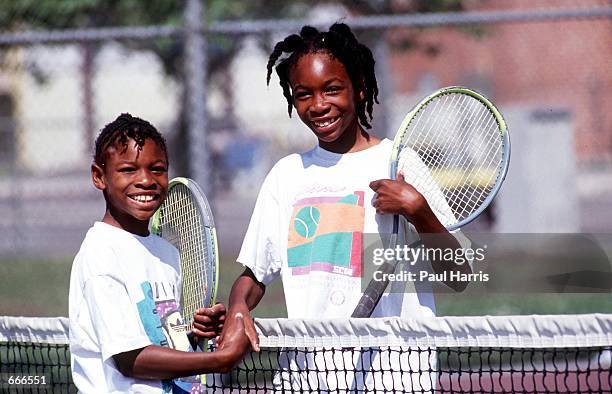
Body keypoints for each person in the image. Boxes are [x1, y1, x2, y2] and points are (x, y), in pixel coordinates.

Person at [219, 24, 472, 391]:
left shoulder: (400, 162)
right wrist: (239, 306)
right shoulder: (286, 176)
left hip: (396, 378)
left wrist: (419, 210)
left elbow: (460, 276)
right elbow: (254, 275)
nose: (319, 105)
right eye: (303, 94)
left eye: (332, 89)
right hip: (308, 378)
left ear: (360, 88)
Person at [69, 113, 250, 393]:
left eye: (157, 169)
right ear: (99, 176)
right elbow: (130, 359)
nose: (146, 180)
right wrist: (218, 359)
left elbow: (161, 335)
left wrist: (193, 331)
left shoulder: (167, 253)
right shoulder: (100, 254)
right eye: (128, 170)